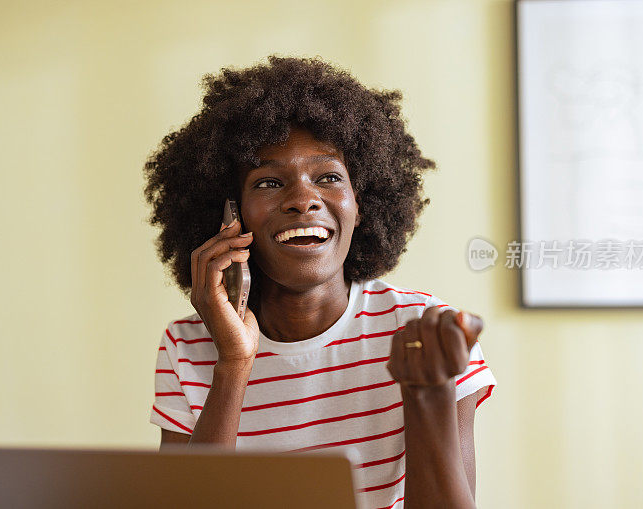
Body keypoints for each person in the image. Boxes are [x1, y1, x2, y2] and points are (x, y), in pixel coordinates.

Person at [143, 55, 497, 509]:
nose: (303, 199)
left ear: (360, 203)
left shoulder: (425, 329)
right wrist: (233, 363)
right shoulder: (188, 345)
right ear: (228, 217)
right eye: (269, 182)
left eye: (328, 177)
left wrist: (425, 391)